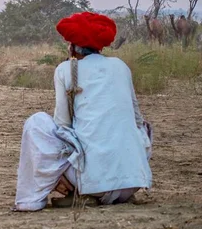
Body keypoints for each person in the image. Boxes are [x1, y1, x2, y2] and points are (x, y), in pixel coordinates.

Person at [13, 12, 153, 211]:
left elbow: (63, 125)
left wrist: (55, 172)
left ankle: (35, 200)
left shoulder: (64, 69)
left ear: (72, 47)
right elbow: (137, 120)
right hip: (132, 183)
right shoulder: (121, 67)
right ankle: (113, 189)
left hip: (91, 182)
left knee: (37, 123)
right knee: (141, 128)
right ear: (99, 46)